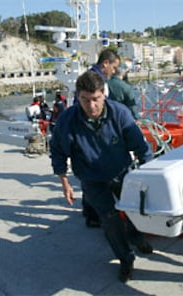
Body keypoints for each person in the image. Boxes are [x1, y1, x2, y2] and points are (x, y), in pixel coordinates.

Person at [50, 71, 153, 282]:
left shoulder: (120, 113)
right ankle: (125, 259)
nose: (92, 106)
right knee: (109, 219)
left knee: (132, 210)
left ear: (103, 95)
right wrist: (64, 182)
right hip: (91, 178)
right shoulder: (67, 121)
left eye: (96, 99)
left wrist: (151, 172)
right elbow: (58, 151)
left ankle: (136, 236)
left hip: (120, 171)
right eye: (85, 100)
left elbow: (141, 146)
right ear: (77, 97)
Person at [81, 48, 121, 227]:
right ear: (105, 63)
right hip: (94, 135)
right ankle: (94, 216)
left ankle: (91, 214)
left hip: (88, 134)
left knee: (90, 177)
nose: (114, 71)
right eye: (113, 67)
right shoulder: (98, 83)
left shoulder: (89, 79)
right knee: (96, 178)